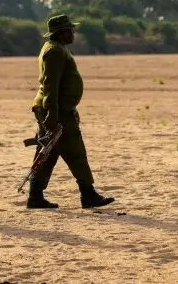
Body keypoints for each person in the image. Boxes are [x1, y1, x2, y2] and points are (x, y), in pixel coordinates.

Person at [27, 14, 114, 210]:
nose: (73, 33)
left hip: (58, 109)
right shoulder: (55, 52)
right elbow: (51, 86)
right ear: (61, 33)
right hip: (56, 110)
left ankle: (35, 196)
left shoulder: (55, 49)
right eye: (69, 30)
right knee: (76, 152)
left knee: (47, 154)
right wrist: (53, 114)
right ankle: (88, 194)